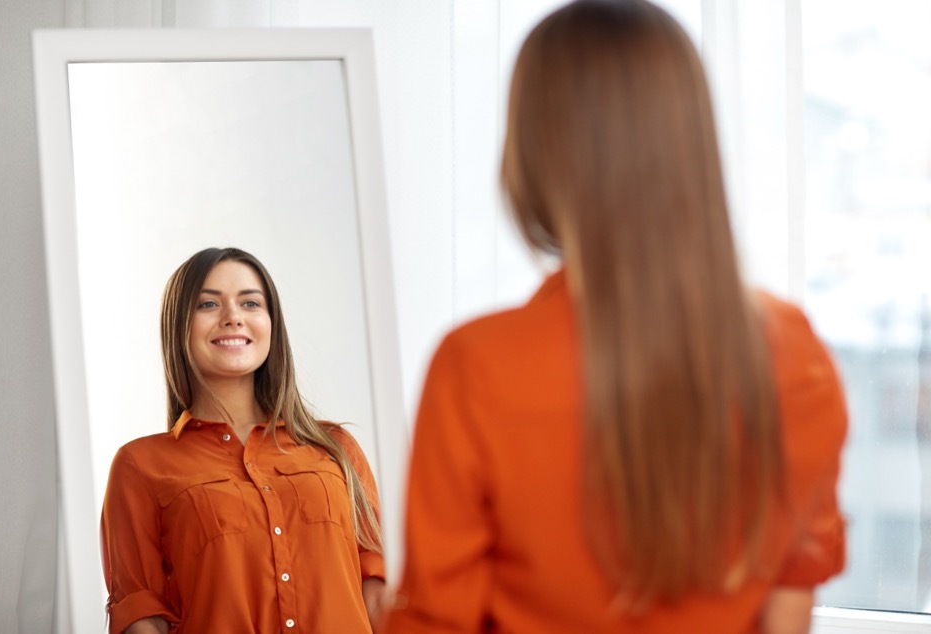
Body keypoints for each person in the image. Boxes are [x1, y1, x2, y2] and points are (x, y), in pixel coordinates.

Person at [382, 1, 847, 632]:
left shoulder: (477, 366)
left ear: (536, 149)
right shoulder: (793, 348)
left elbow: (439, 621)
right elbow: (791, 599)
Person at [100, 247, 385, 633]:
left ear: (271, 324)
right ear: (179, 326)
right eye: (207, 304)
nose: (233, 317)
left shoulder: (335, 449)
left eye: (250, 302)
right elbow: (142, 619)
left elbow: (377, 594)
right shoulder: (140, 466)